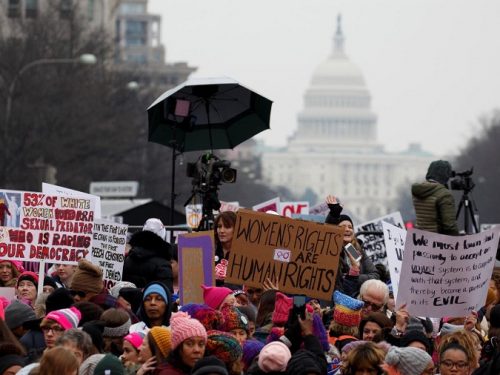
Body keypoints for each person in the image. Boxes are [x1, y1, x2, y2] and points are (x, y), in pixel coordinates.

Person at [324, 195, 379, 297]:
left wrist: (354, 277)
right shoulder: (331, 249)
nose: (347, 229)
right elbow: (328, 234)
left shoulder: (355, 250)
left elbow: (375, 275)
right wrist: (334, 214)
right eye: (342, 227)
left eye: (350, 227)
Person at [123, 218, 174, 291]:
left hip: (127, 301)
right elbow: (166, 293)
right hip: (151, 301)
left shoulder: (128, 259)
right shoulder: (163, 264)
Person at [411, 160, 459, 235]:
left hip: (420, 241)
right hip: (437, 242)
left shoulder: (419, 190)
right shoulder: (444, 194)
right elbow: (449, 226)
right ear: (445, 175)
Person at [213, 211, 237, 286]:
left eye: (227, 227)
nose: (221, 231)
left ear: (236, 229)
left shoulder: (242, 254)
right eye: (219, 226)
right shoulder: (209, 250)